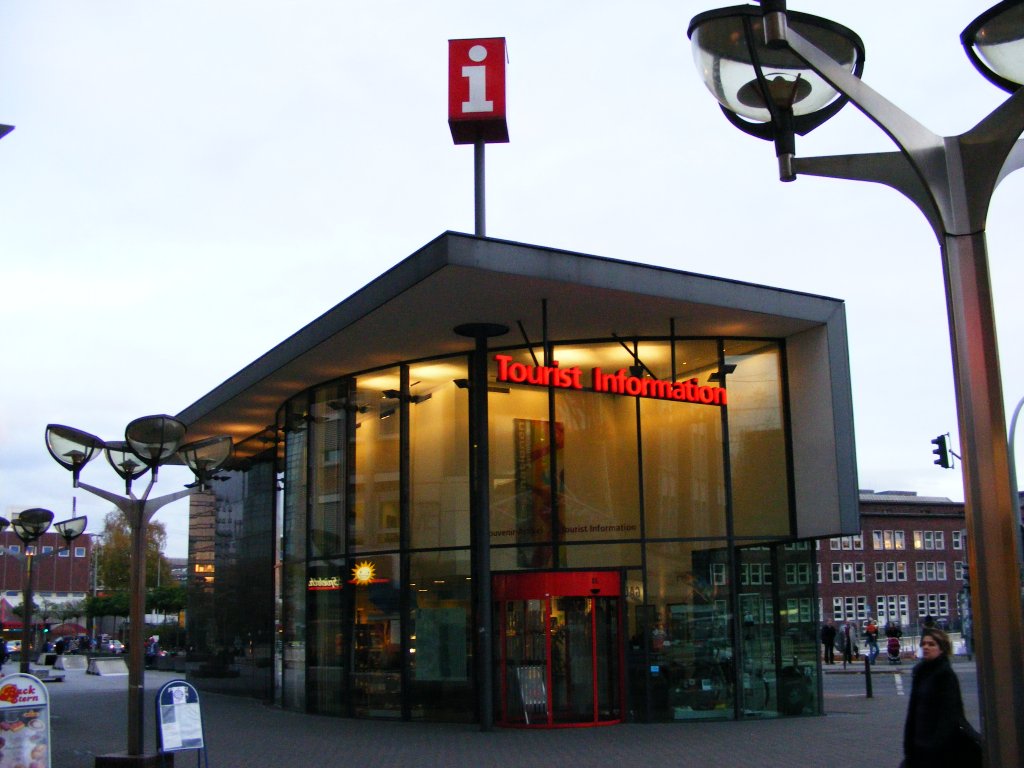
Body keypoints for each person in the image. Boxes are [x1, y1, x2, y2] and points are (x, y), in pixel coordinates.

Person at [902, 627, 981, 768]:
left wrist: (934, 745)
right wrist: (909, 743)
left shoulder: (946, 676)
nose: (926, 647)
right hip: (918, 744)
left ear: (942, 649)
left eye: (931, 644)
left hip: (936, 749)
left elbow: (950, 715)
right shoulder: (920, 673)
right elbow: (912, 711)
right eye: (924, 643)